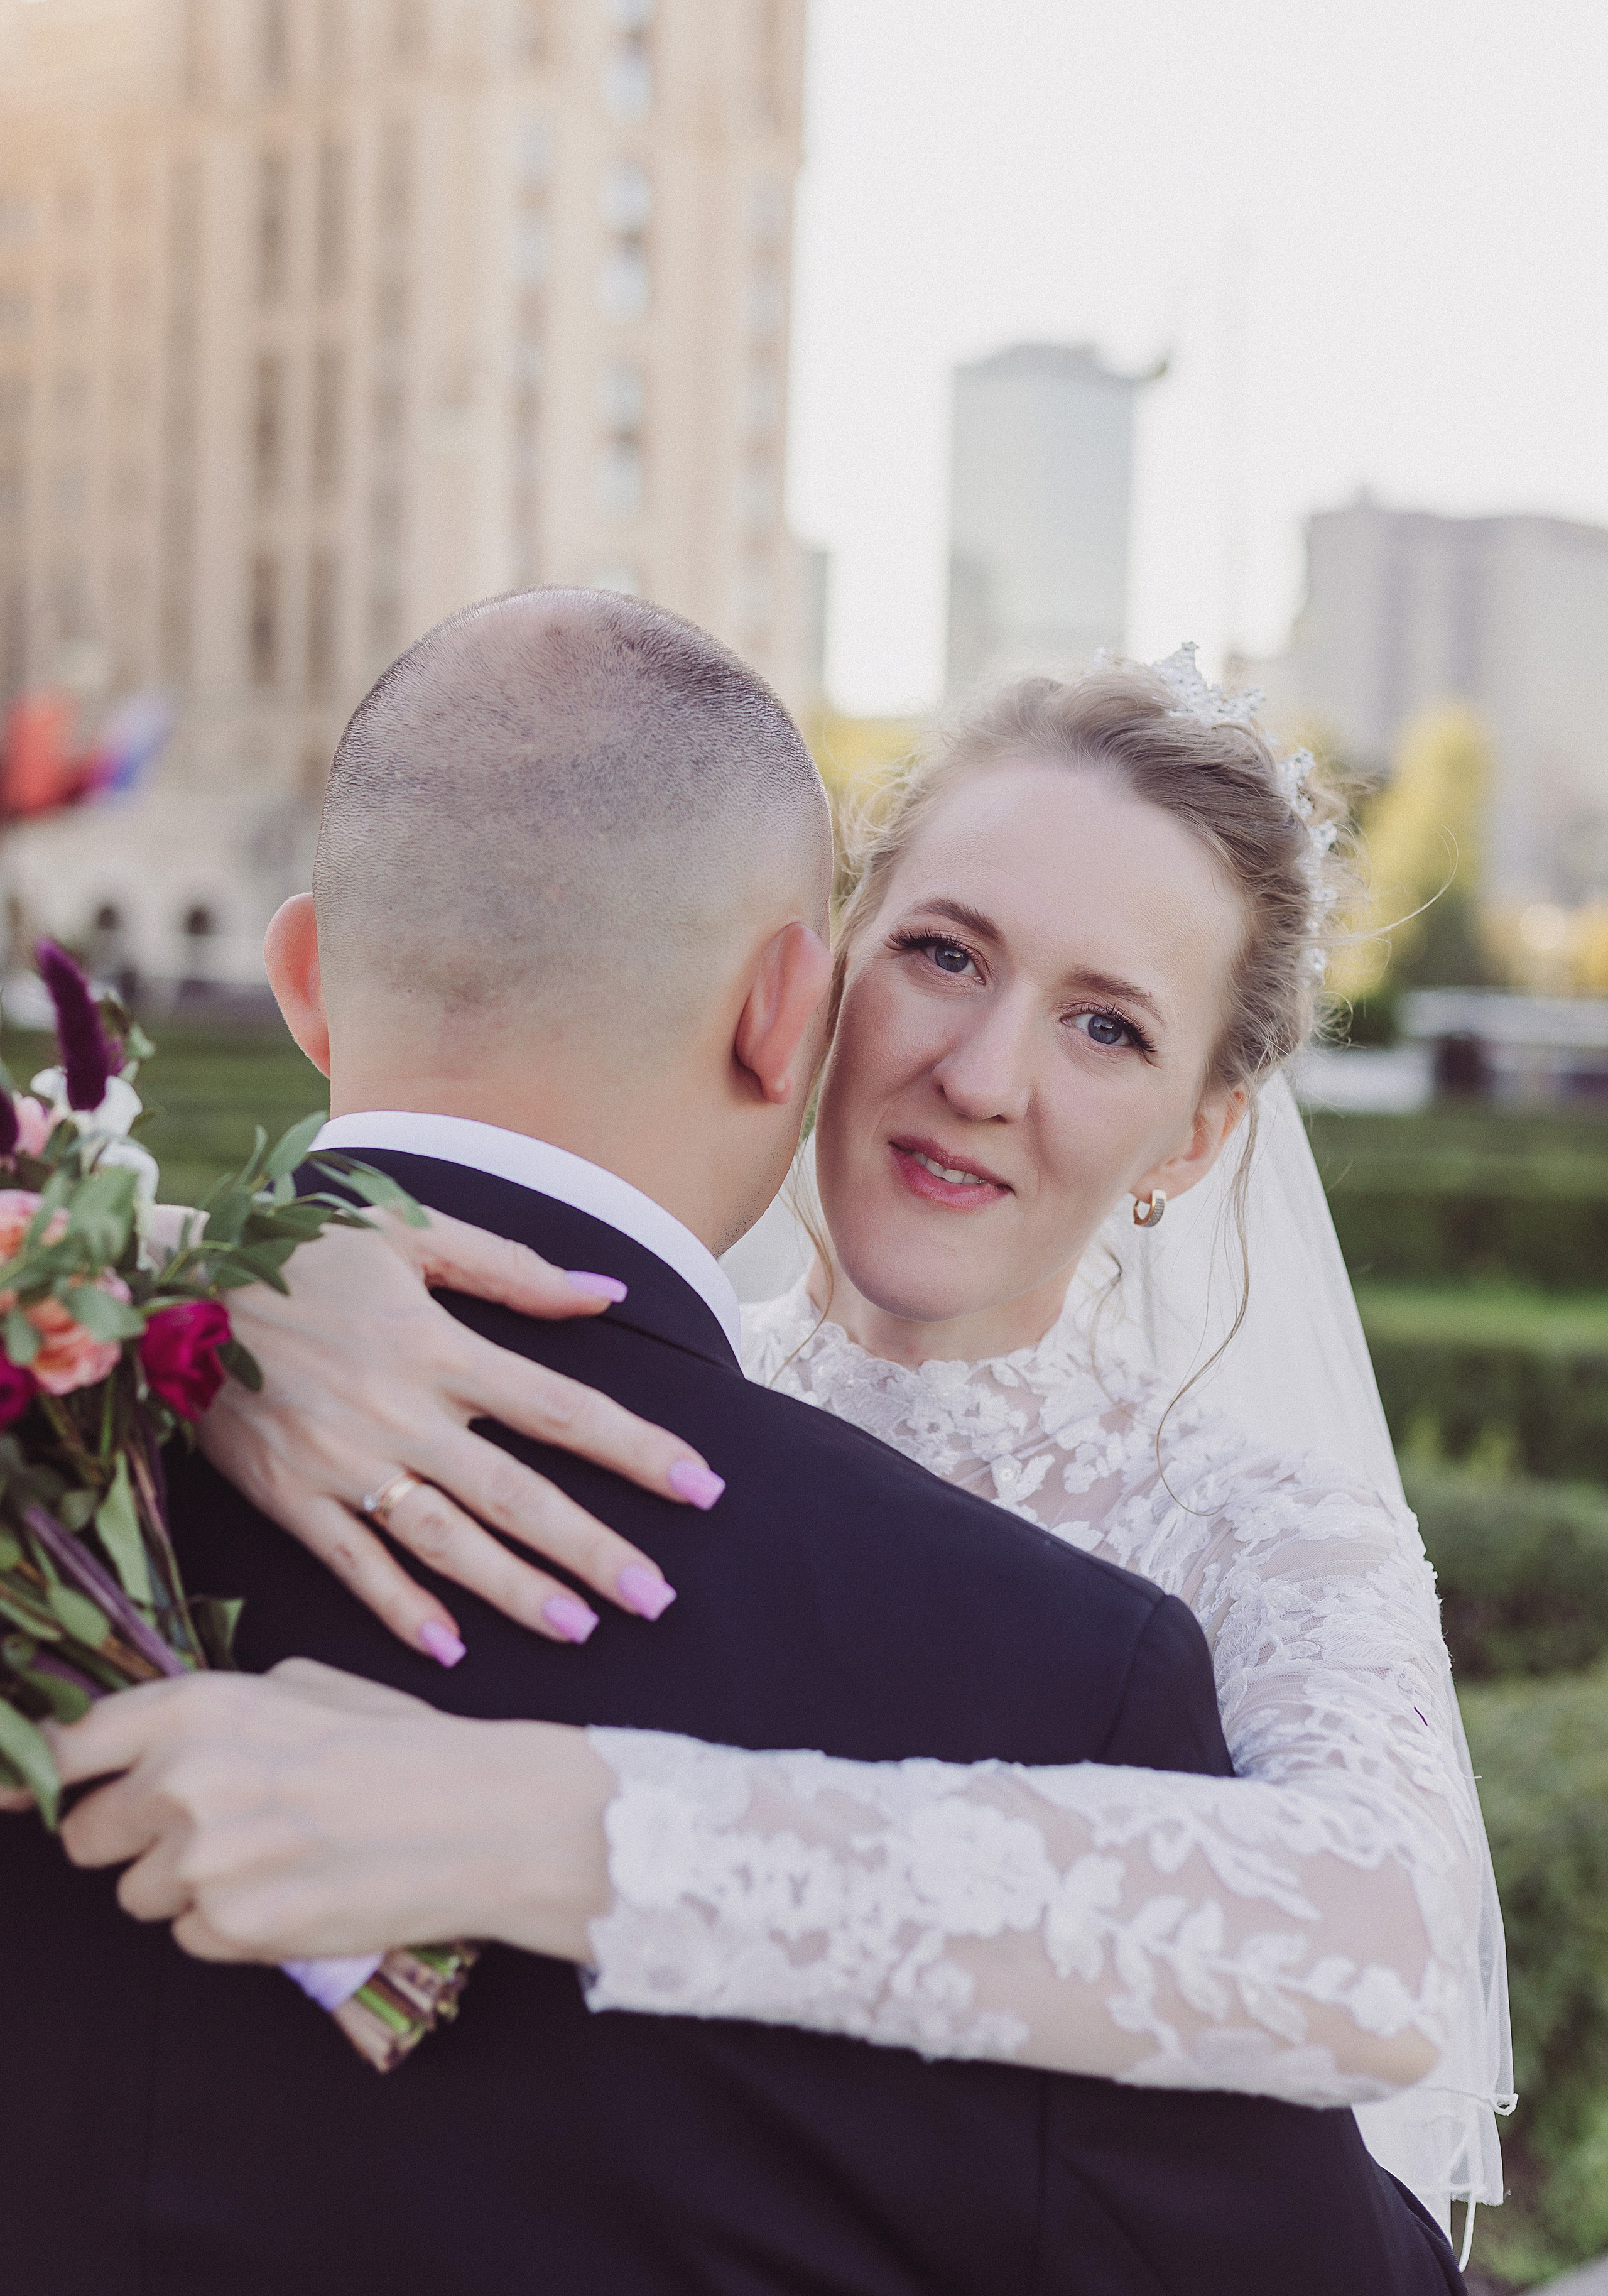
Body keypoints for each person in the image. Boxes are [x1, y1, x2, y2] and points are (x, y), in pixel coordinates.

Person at [5, 592, 1464, 2294]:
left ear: (1198, 1136)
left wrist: (555, 1824)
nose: (984, 1073)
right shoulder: (323, 1349)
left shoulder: (1240, 1557)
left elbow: (1379, 1957)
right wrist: (202, 1275)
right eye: (945, 955)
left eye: (1106, 1025)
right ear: (812, 983)